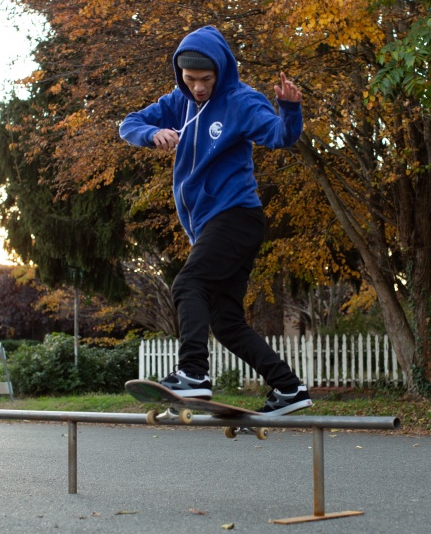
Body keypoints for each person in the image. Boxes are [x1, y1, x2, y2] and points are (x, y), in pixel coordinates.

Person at [119, 26, 312, 415]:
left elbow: (279, 136)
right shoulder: (180, 101)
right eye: (190, 80)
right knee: (225, 321)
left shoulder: (241, 101)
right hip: (214, 226)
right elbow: (129, 123)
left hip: (236, 215)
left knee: (188, 282)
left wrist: (289, 109)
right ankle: (289, 389)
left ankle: (193, 375)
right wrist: (152, 132)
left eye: (206, 80)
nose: (199, 88)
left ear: (220, 72)